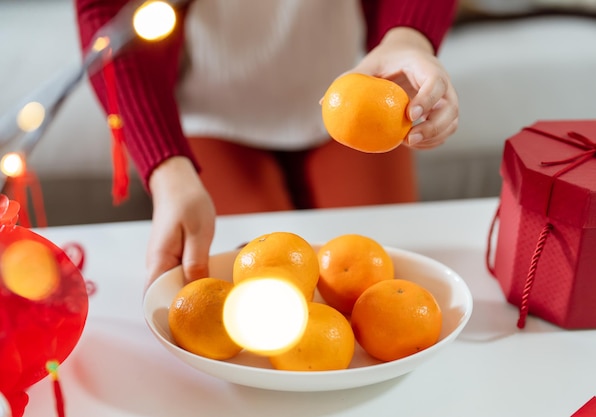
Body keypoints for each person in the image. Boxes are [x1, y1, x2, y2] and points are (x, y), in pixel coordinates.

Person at [74, 0, 459, 287]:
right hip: (210, 115)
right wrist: (168, 171)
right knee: (265, 284)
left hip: (352, 96)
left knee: (382, 284)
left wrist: (408, 37)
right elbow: (107, 14)